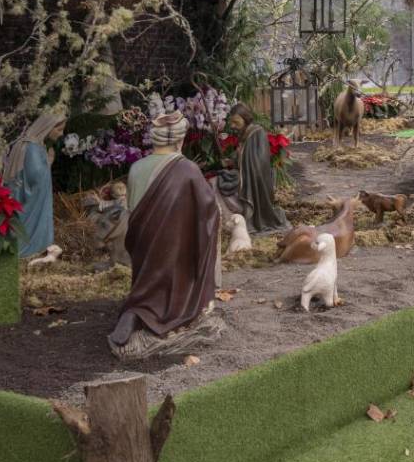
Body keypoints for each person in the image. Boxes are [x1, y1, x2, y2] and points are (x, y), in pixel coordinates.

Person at [108, 112, 222, 359]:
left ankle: (137, 310)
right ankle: (159, 315)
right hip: (174, 246)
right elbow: (207, 211)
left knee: (147, 280)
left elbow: (132, 208)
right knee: (177, 280)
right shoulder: (188, 169)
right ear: (179, 141)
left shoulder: (136, 168)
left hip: (143, 242)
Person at [2, 111, 66, 259]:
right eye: (59, 129)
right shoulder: (32, 147)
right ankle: (31, 251)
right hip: (30, 203)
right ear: (48, 126)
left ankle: (38, 250)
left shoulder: (36, 145)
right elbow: (35, 177)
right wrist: (48, 163)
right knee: (29, 229)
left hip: (34, 200)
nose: (61, 134)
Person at [222, 102, 288, 233]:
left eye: (236, 122)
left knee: (224, 181)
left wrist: (239, 160)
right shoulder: (244, 134)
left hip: (255, 178)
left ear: (245, 118)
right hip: (245, 173)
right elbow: (243, 153)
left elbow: (259, 160)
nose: (233, 126)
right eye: (232, 123)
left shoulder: (257, 133)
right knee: (222, 178)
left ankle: (250, 219)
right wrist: (232, 160)